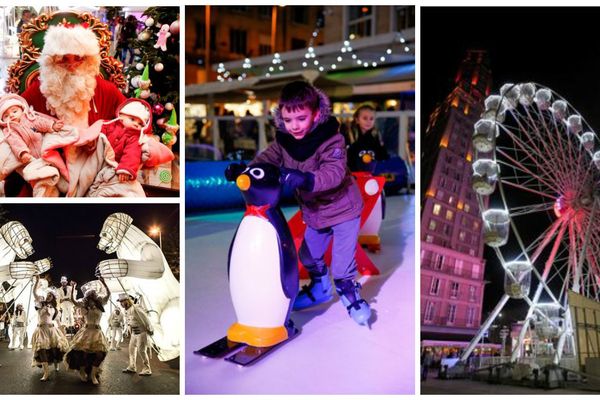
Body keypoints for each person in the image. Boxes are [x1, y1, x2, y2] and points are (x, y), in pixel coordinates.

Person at [224, 81, 371, 326]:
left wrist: (307, 178)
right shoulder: (285, 141)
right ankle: (321, 289)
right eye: (289, 120)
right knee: (307, 255)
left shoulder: (331, 140)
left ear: (315, 114)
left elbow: (334, 172)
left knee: (342, 265)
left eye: (301, 119)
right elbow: (268, 158)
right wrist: (247, 170)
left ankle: (349, 293)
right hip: (315, 212)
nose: (295, 127)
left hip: (343, 209)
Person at [0, 94, 66, 197]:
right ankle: (46, 192)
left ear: (22, 110)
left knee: (57, 163)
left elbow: (41, 123)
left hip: (44, 152)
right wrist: (22, 152)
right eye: (6, 116)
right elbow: (15, 142)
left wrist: (52, 125)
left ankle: (64, 182)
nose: (11, 116)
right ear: (3, 121)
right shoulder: (9, 130)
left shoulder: (30, 118)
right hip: (30, 159)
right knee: (36, 175)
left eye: (14, 111)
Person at [64, 278, 110, 385]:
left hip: (97, 332)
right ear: (87, 297)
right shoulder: (84, 305)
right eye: (90, 295)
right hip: (86, 332)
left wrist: (104, 283)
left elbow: (108, 294)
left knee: (99, 354)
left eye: (94, 294)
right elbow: (73, 301)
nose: (93, 296)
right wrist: (73, 288)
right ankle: (82, 371)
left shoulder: (100, 304)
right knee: (83, 354)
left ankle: (93, 375)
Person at [100, 98, 150, 183]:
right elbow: (97, 134)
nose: (136, 124)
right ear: (121, 115)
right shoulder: (108, 125)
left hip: (113, 164)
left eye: (140, 124)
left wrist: (125, 169)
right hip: (99, 156)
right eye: (132, 119)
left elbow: (132, 153)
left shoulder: (134, 138)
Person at [31, 275, 69, 381]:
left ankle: (56, 363)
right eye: (47, 295)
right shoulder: (40, 304)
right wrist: (37, 281)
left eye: (50, 295)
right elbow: (34, 293)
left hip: (52, 330)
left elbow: (58, 322)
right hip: (41, 330)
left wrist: (63, 331)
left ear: (53, 298)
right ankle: (46, 372)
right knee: (41, 349)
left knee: (54, 349)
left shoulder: (55, 309)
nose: (48, 296)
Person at [118, 293, 153, 376]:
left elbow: (146, 319)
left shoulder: (135, 308)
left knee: (142, 351)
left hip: (141, 333)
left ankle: (147, 369)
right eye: (120, 302)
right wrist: (127, 331)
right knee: (131, 350)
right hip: (134, 333)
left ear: (126, 301)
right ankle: (132, 367)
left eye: (122, 302)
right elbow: (129, 322)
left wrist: (150, 329)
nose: (121, 304)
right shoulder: (127, 310)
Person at [346, 103, 389, 171]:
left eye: (371, 119)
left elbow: (384, 158)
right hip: (355, 176)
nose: (368, 121)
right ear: (357, 120)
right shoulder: (350, 137)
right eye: (365, 118)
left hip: (373, 177)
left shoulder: (376, 138)